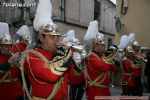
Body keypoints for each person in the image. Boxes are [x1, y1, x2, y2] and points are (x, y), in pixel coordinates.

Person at [18, 0, 72, 99]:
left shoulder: (59, 54)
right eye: (52, 37)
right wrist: (64, 51)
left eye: (57, 36)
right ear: (41, 38)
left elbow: (72, 79)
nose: (56, 39)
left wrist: (76, 61)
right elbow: (51, 75)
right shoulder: (31, 56)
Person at [83, 21, 117, 100]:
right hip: (96, 90)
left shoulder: (102, 56)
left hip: (105, 90)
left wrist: (115, 60)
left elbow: (114, 69)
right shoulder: (91, 57)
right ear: (96, 45)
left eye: (104, 44)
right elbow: (104, 67)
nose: (104, 46)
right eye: (102, 45)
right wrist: (110, 56)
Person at [0, 23, 24, 100]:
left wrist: (21, 65)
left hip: (17, 90)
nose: (9, 48)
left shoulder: (13, 56)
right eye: (6, 46)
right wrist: (9, 62)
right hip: (3, 91)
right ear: (1, 46)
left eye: (11, 45)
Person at [63, 30, 85, 100]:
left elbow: (82, 60)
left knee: (80, 94)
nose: (78, 45)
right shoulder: (69, 52)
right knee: (72, 95)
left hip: (80, 76)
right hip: (72, 77)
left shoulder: (79, 52)